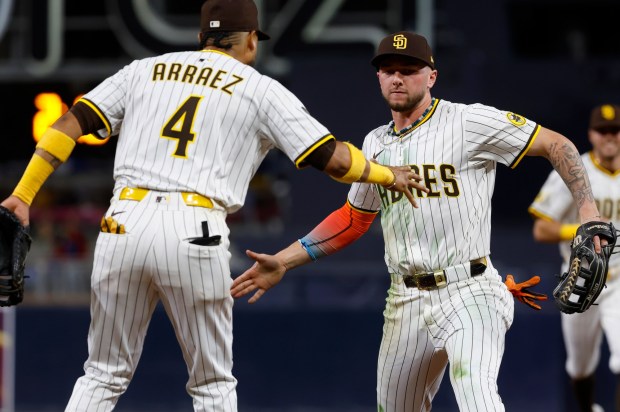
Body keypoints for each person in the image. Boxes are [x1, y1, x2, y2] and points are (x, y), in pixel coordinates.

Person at [0, 1, 423, 410]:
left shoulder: (144, 70)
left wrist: (23, 194)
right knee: (211, 383)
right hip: (194, 228)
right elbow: (333, 159)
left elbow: (66, 126)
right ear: (251, 41)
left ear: (202, 36)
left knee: (102, 374)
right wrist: (389, 175)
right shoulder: (259, 89)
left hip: (123, 222)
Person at [230, 31, 606, 411]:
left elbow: (558, 144)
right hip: (405, 299)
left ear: (431, 76)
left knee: (477, 394)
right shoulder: (375, 144)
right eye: (388, 70)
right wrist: (284, 260)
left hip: (470, 290)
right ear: (377, 77)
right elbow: (353, 220)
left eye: (408, 70)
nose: (397, 77)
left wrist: (588, 213)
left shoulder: (468, 121)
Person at [529, 104, 620, 412]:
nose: (610, 137)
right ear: (592, 134)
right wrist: (581, 230)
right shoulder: (575, 169)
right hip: (581, 280)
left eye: (615, 131)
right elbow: (541, 228)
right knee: (580, 367)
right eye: (603, 131)